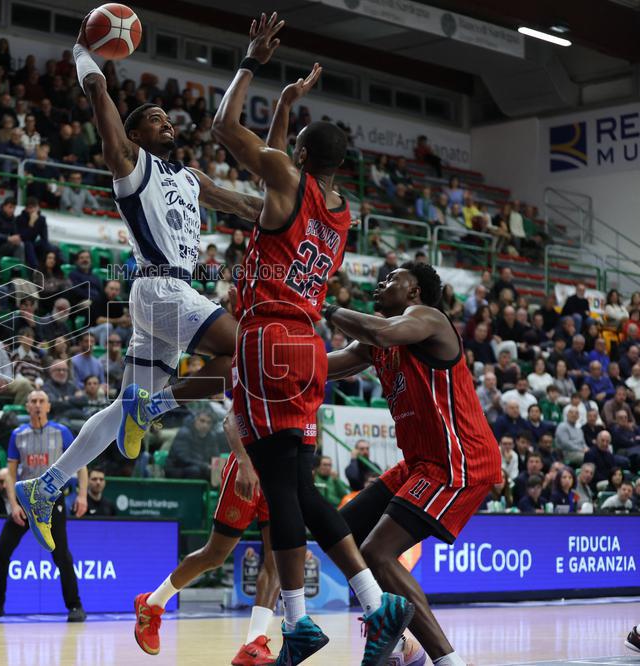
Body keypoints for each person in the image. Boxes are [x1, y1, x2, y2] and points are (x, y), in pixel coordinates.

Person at [16, 13, 267, 564]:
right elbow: (100, 94)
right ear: (134, 135)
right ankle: (152, 407)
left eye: (167, 117)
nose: (167, 122)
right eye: (154, 118)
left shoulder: (190, 179)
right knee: (246, 350)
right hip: (162, 289)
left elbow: (249, 206)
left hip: (163, 299)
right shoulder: (130, 165)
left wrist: (296, 200)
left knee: (120, 409)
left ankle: (46, 485)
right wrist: (84, 53)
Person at [206, 17, 411, 665]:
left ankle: (298, 621)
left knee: (279, 489)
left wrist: (251, 62)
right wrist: (289, 109)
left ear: (297, 156)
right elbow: (276, 179)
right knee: (302, 487)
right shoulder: (341, 207)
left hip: (266, 336)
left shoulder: (287, 183)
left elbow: (221, 128)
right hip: (308, 346)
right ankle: (377, 607)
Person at [329, 260, 503, 666]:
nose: (382, 282)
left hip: (458, 459)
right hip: (421, 463)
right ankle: (400, 642)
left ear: (414, 292)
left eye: (394, 278)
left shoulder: (427, 318)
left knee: (379, 552)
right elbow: (326, 366)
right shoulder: (379, 344)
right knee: (341, 534)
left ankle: (448, 661)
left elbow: (379, 330)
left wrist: (323, 306)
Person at [135, 413, 281, 663]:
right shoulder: (259, 377)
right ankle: (153, 602)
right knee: (215, 554)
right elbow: (230, 420)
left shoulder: (309, 384)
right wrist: (244, 463)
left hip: (281, 472)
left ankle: (253, 643)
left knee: (276, 559)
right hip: (248, 466)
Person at [0, 391, 88, 622]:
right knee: (2, 550)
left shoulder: (62, 432)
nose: (37, 405)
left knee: (61, 555)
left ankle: (75, 606)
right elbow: (11, 474)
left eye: (42, 401)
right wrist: (13, 504)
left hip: (53, 501)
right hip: (25, 501)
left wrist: (82, 495)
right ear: (26, 406)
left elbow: (81, 466)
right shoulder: (17, 435)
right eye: (33, 401)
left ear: (49, 406)